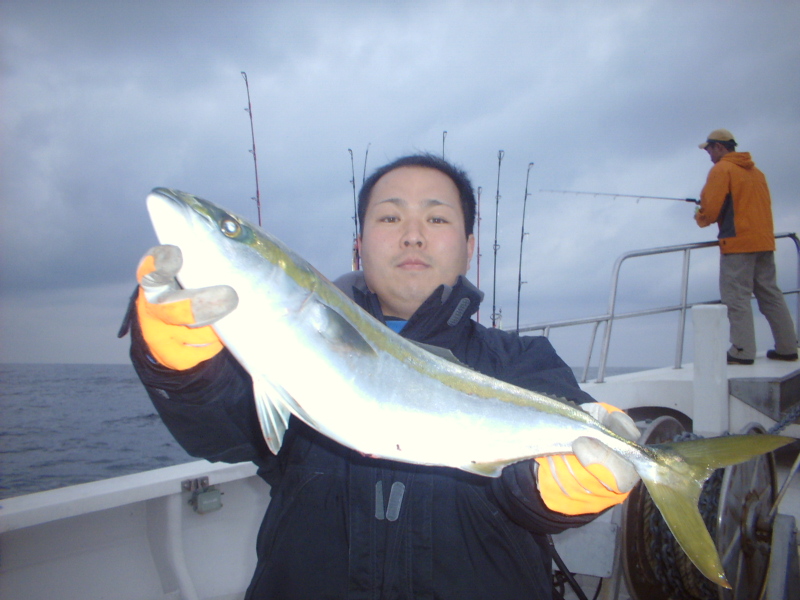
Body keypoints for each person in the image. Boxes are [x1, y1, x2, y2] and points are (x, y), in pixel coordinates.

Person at [120, 153, 641, 599]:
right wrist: (182, 365)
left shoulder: (523, 361)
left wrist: (565, 490)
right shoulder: (268, 353)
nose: (412, 235)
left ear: (469, 248)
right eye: (390, 218)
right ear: (359, 246)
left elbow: (531, 493)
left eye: (436, 219)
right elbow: (222, 432)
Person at [695, 129, 798, 364]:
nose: (708, 154)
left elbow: (710, 211)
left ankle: (742, 351)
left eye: (709, 149)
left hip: (738, 243)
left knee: (736, 297)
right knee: (771, 294)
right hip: (764, 242)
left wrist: (699, 215)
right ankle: (788, 347)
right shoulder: (756, 173)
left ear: (719, 147)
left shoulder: (722, 169)